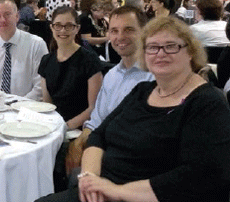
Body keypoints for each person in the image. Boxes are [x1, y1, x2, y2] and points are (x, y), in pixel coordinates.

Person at [37, 16, 230, 202]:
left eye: (171, 46)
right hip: (102, 189)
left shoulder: (207, 102)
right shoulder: (142, 91)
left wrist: (117, 191)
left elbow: (199, 176)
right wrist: (90, 178)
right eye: (152, 47)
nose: (160, 53)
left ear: (190, 52)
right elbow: (99, 136)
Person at [65, 6, 154, 175]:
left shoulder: (154, 77)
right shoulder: (112, 75)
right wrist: (78, 143)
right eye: (114, 31)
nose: (120, 37)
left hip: (129, 164)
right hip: (102, 150)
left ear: (144, 32)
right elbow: (97, 120)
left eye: (128, 30)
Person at [38, 7, 103, 130]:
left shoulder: (89, 60)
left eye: (69, 26)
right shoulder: (46, 60)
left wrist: (65, 127)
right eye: (58, 25)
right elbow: (48, 104)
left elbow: (93, 108)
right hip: (54, 126)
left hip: (80, 128)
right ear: (51, 27)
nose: (63, 30)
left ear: (77, 28)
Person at [0, 0, 48, 100]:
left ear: (17, 16)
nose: (2, 20)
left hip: (26, 109)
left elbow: (40, 89)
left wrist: (14, 105)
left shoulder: (36, 44)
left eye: (7, 14)